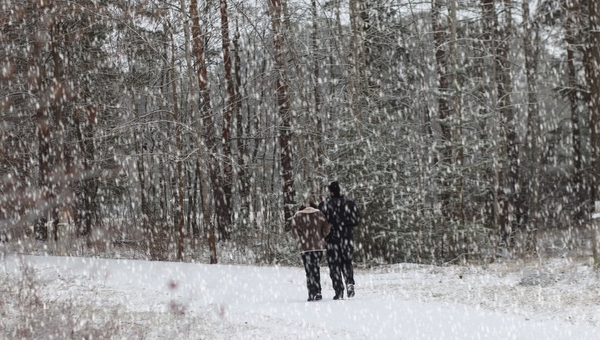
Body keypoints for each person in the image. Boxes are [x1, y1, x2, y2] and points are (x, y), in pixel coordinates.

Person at [318, 181, 361, 300]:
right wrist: (346, 225)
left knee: (334, 265)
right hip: (346, 237)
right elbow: (356, 220)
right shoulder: (349, 204)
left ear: (330, 191)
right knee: (347, 262)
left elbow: (319, 222)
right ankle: (350, 282)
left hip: (331, 239)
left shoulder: (324, 205)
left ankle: (339, 290)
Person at [292, 201, 331, 301]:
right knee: (316, 268)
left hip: (305, 248)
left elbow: (294, 231)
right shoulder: (319, 214)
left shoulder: (298, 215)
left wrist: (300, 239)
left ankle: (311, 292)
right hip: (318, 247)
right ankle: (318, 291)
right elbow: (327, 229)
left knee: (308, 271)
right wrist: (321, 237)